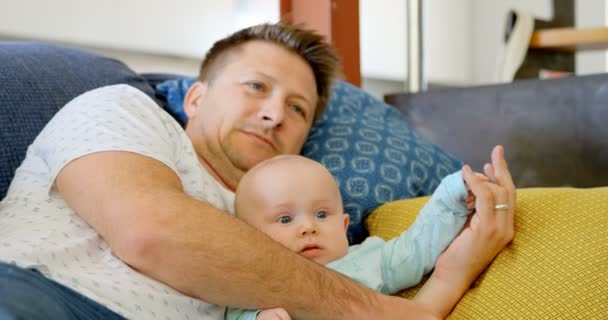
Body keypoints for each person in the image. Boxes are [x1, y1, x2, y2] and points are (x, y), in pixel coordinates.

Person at [0, 21, 516, 320]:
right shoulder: (124, 111)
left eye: (298, 109)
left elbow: (386, 260)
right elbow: (151, 234)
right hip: (37, 295)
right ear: (197, 97)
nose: (275, 114)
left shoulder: (279, 222)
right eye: (256, 87)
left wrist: (453, 266)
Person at [226, 155, 483, 320]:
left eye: (322, 214)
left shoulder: (370, 258)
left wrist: (452, 196)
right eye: (285, 219)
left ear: (344, 225)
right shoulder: (256, 283)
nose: (307, 227)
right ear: (249, 238)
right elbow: (233, 311)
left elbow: (417, 247)